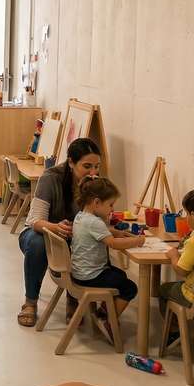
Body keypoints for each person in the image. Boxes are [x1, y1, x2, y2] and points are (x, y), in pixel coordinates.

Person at [17, 137, 102, 328]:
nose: (93, 172)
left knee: (94, 241)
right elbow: (35, 221)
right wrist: (56, 227)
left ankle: (75, 296)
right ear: (71, 162)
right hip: (42, 232)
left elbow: (102, 219)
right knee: (38, 243)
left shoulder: (96, 183)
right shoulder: (51, 178)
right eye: (87, 166)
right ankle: (30, 302)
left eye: (97, 166)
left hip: (75, 236)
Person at [70, 177, 144, 342]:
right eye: (110, 204)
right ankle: (107, 319)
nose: (112, 209)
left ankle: (104, 311)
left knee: (120, 275)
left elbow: (100, 233)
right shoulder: (95, 222)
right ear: (96, 202)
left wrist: (116, 232)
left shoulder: (81, 216)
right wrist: (137, 241)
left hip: (80, 273)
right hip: (91, 276)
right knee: (130, 288)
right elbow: (113, 244)